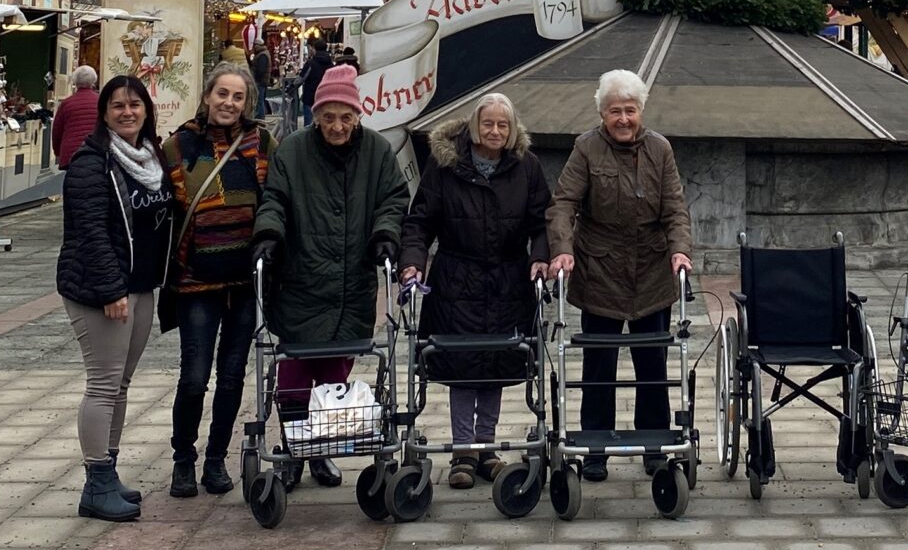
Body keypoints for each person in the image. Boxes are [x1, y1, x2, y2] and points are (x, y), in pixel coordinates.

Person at [251, 64, 410, 487]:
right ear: (316, 116)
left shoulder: (377, 151)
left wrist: (385, 234)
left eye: (345, 117)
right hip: (301, 278)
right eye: (328, 117)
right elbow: (275, 199)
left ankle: (321, 449)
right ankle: (292, 449)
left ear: (358, 116)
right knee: (294, 373)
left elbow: (394, 199)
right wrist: (268, 234)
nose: (337, 126)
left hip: (351, 282)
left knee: (335, 373)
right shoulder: (293, 150)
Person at [547, 69, 692, 482]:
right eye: (615, 111)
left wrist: (680, 250)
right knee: (599, 365)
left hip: (652, 272)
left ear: (640, 111)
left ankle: (654, 445)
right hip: (600, 271)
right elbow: (563, 204)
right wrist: (562, 250)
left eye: (630, 110)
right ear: (602, 113)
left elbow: (675, 208)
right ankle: (595, 449)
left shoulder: (660, 149)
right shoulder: (586, 148)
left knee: (653, 363)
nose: (623, 119)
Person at [401, 92, 552, 488]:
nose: (495, 131)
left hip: (508, 280)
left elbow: (542, 221)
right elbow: (420, 221)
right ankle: (463, 451)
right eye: (488, 123)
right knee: (462, 366)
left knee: (495, 364)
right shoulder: (445, 164)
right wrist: (412, 262)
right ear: (474, 126)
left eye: (503, 124)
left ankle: (486, 448)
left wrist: (540, 256)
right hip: (457, 280)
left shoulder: (527, 166)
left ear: (513, 129)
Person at [56, 75, 173, 522]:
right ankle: (96, 483)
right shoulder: (92, 162)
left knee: (121, 383)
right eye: (118, 106)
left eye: (135, 104)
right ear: (103, 113)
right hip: (101, 291)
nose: (127, 112)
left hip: (140, 285)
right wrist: (111, 290)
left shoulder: (151, 157)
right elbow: (89, 231)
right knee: (104, 384)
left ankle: (109, 471)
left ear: (147, 110)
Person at [157, 60, 272, 499]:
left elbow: (275, 200)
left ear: (248, 102)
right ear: (207, 96)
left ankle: (216, 460)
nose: (229, 102)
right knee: (194, 377)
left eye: (238, 96)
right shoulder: (178, 147)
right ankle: (183, 460)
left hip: (243, 284)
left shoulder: (262, 143)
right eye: (222, 94)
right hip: (196, 284)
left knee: (231, 378)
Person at [52, 65, 101, 168]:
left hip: (71, 153)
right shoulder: (101, 102)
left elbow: (57, 130)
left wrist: (58, 152)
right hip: (95, 152)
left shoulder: (66, 103)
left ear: (75, 82)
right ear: (93, 81)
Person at [298, 37, 333, 128]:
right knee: (325, 124)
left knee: (309, 126)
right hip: (326, 97)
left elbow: (301, 79)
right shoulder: (331, 64)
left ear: (314, 49)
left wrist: (291, 87)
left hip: (310, 97)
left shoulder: (311, 63)